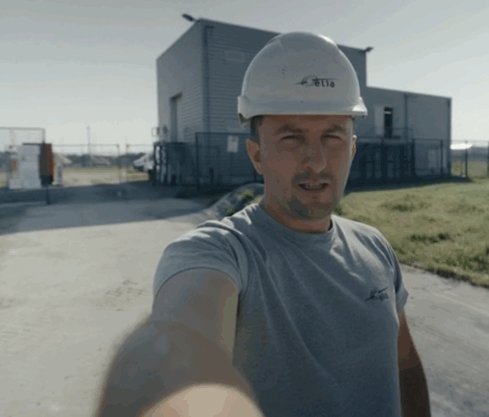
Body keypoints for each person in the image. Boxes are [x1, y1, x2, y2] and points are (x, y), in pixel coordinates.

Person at [96, 31, 431, 417]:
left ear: (352, 148)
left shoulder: (375, 247)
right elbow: (176, 343)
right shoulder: (219, 252)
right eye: (291, 138)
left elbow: (405, 365)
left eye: (332, 137)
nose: (316, 161)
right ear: (257, 154)